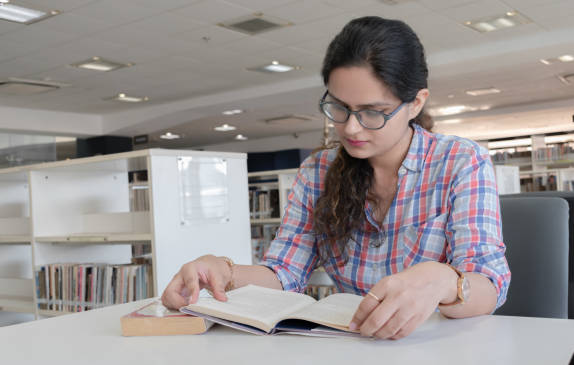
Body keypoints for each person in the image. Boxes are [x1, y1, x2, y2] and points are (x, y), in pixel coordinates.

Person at [162, 16, 511, 340]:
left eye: (374, 112)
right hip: (347, 343)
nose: (351, 128)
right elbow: (284, 273)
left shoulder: (460, 161)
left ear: (416, 103)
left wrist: (443, 280)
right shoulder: (317, 173)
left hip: (435, 343)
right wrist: (223, 271)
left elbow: (490, 286)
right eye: (339, 107)